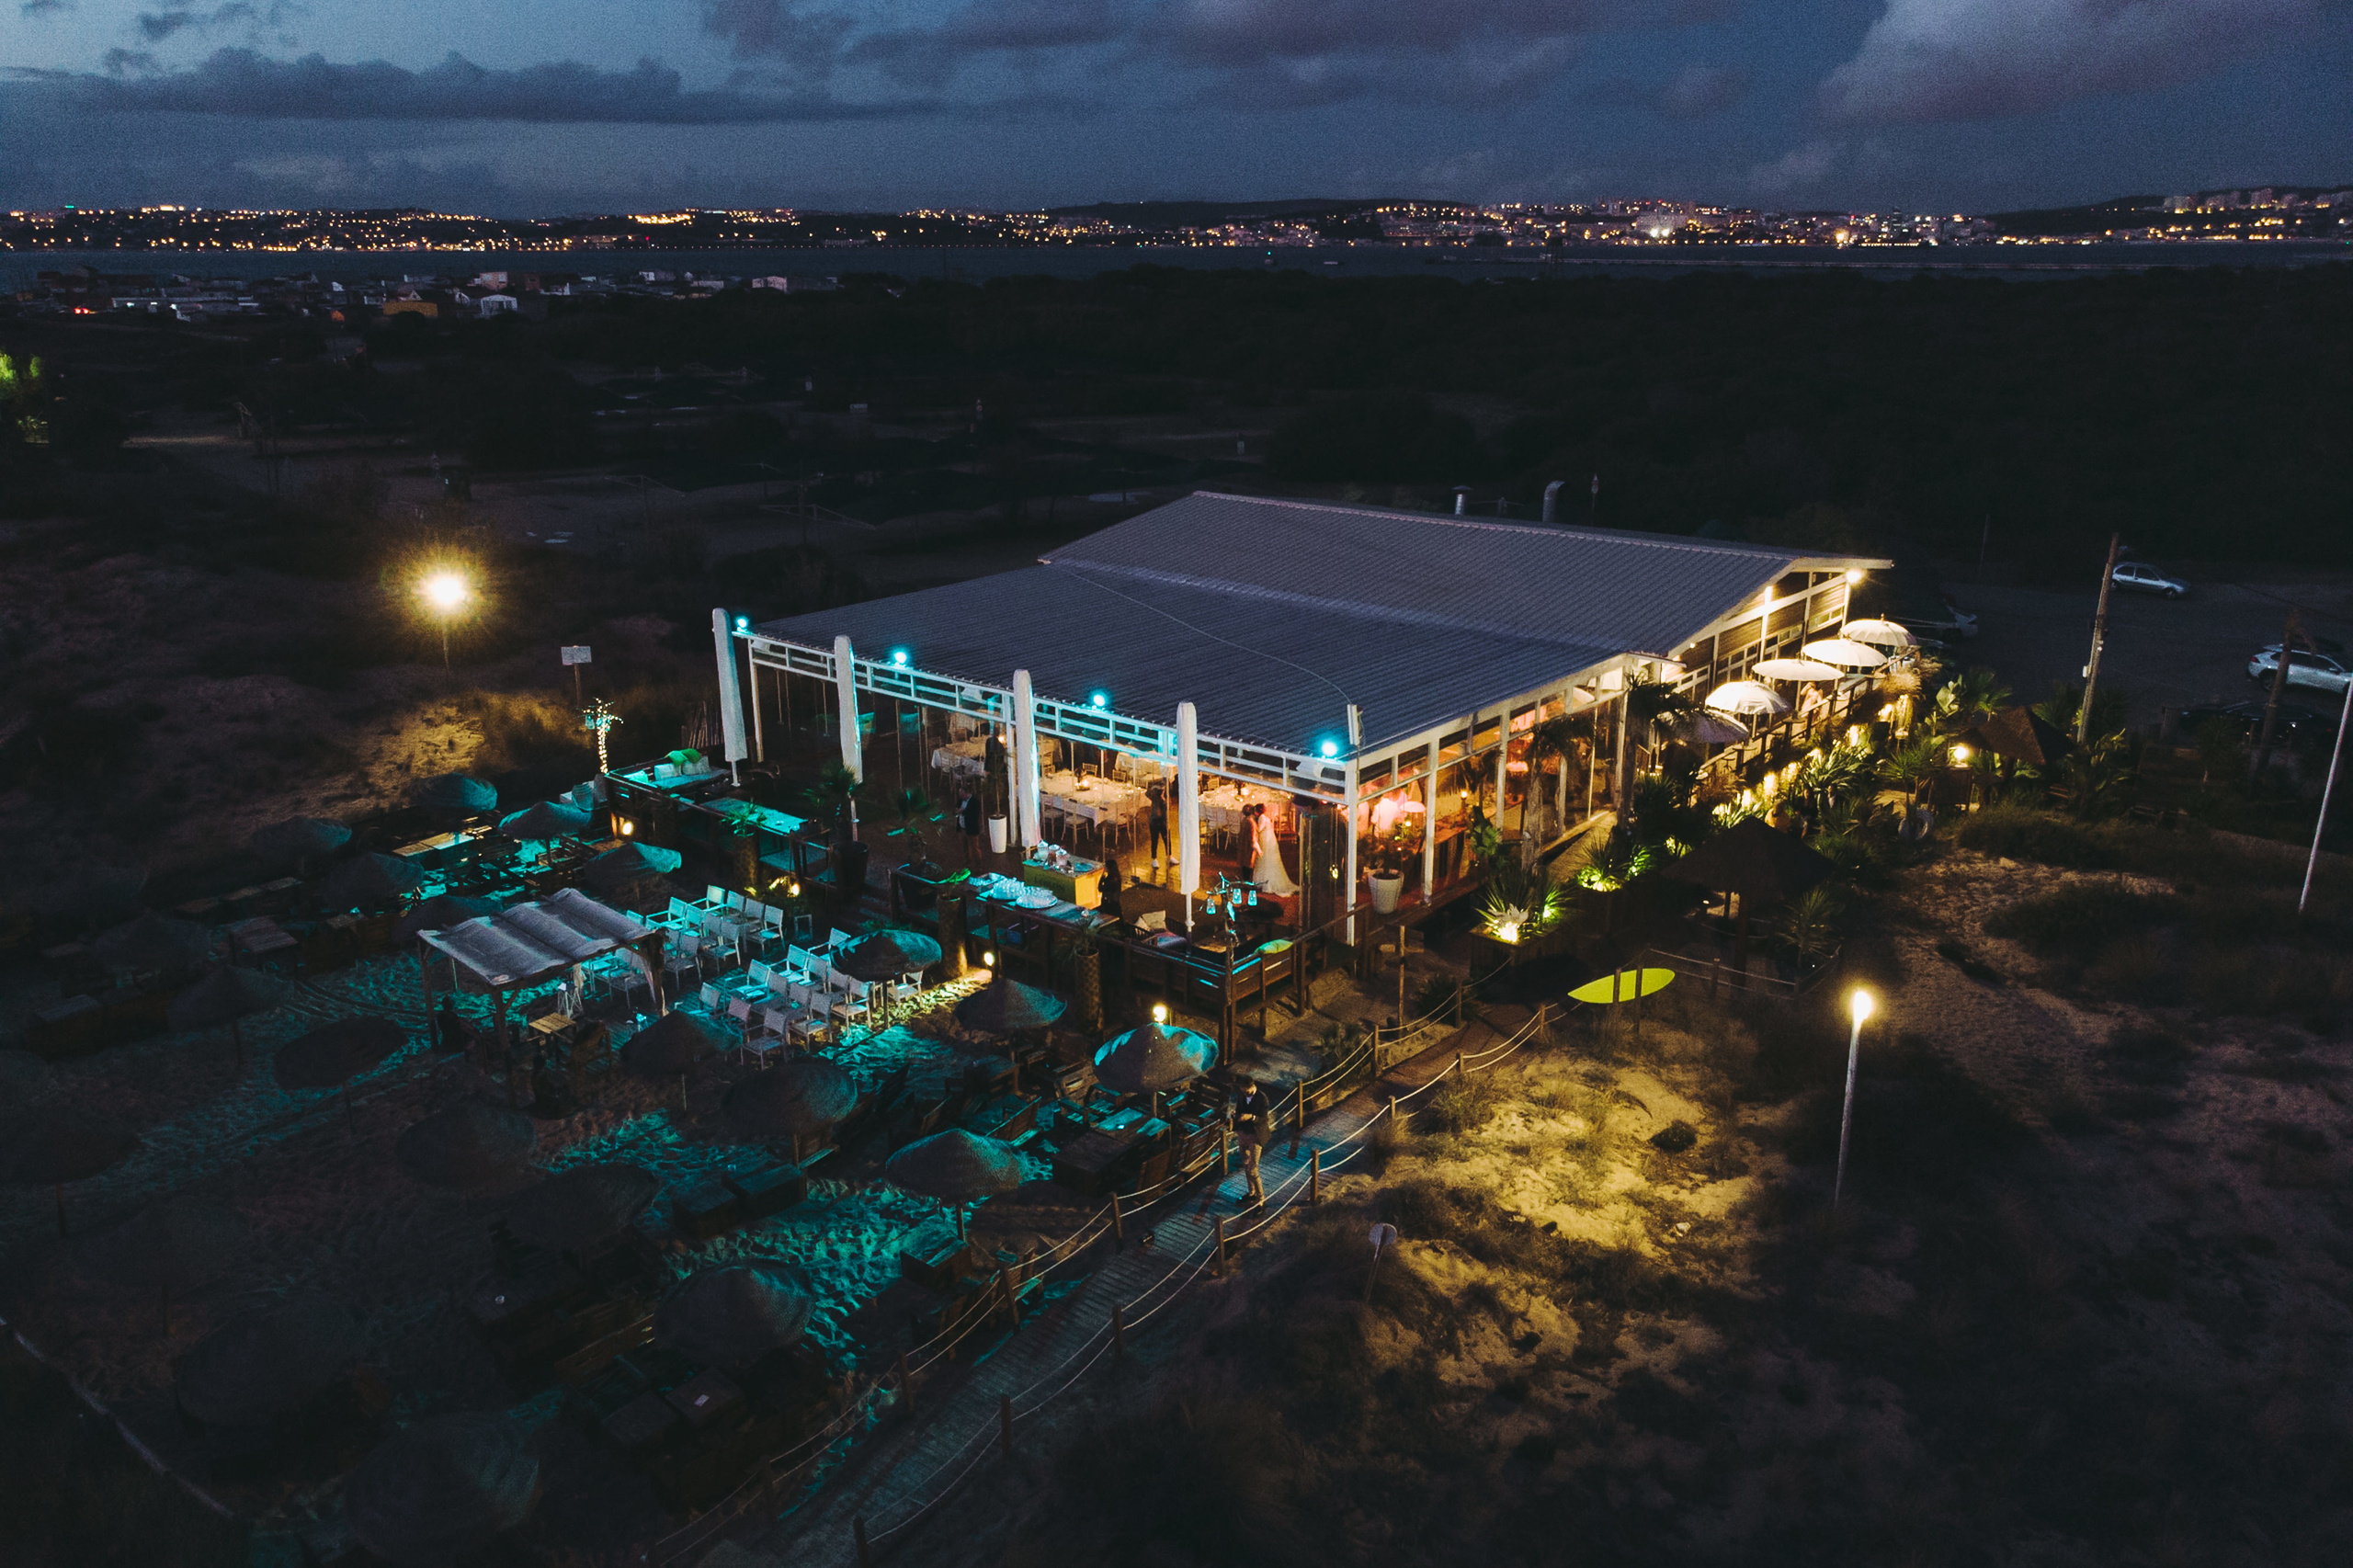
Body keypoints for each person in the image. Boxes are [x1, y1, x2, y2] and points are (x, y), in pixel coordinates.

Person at [1230, 1074, 1272, 1205]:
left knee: (1253, 1169)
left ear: (1252, 1086)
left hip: (1256, 1136)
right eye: (1242, 1090)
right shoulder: (1241, 1096)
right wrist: (1235, 1116)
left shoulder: (1262, 1099)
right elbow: (1239, 1109)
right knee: (1246, 1165)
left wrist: (1251, 1117)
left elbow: (1264, 1119)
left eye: (1246, 1090)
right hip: (1243, 1134)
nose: (1244, 1092)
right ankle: (1251, 1192)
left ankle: (1261, 1199)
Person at [1247, 803, 1301, 898]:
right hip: (1268, 838)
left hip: (1266, 839)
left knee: (1266, 860)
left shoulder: (1262, 818)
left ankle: (1267, 882)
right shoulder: (1265, 817)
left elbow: (1259, 829)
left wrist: (1253, 824)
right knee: (1266, 860)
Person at [1146, 780, 1170, 872]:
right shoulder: (1155, 799)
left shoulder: (1164, 799)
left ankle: (1169, 855)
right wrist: (1153, 789)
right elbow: (1147, 794)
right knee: (1154, 840)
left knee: (1167, 839)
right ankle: (1154, 858)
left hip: (1163, 821)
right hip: (1155, 822)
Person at [955, 783, 983, 864]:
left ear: (966, 793)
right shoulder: (961, 800)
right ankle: (967, 862)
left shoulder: (975, 802)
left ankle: (978, 865)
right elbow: (957, 806)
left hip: (971, 829)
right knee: (965, 847)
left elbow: (975, 815)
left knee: (974, 848)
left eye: (962, 794)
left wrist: (963, 812)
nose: (960, 796)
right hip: (963, 828)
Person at [1097, 854, 1124, 921]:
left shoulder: (1109, 880)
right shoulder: (1117, 878)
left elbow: (1100, 888)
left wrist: (1102, 878)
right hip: (1116, 903)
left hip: (1108, 905)